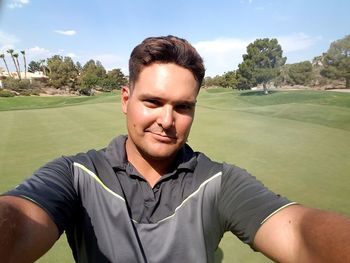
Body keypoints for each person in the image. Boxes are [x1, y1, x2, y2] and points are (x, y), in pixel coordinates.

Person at [0, 35, 350, 263]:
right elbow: (17, 223)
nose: (168, 120)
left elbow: (296, 230)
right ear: (126, 100)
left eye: (183, 106)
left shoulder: (220, 182)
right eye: (152, 101)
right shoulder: (75, 176)